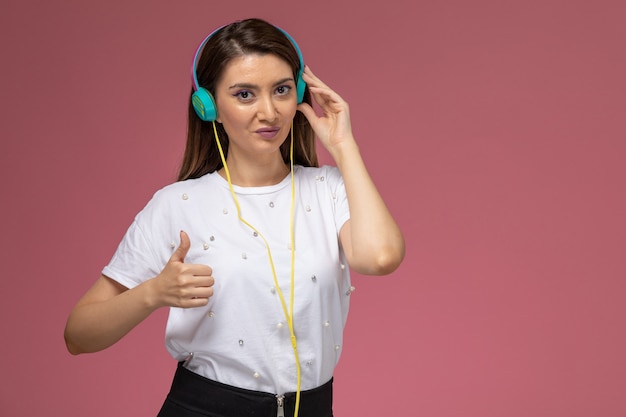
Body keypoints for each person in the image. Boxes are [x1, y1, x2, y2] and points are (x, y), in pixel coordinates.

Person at [64, 17, 405, 417]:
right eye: (244, 94)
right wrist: (153, 292)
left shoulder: (329, 189)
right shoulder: (177, 205)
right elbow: (78, 335)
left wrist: (345, 147)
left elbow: (380, 258)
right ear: (209, 107)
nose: (269, 111)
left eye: (280, 90)